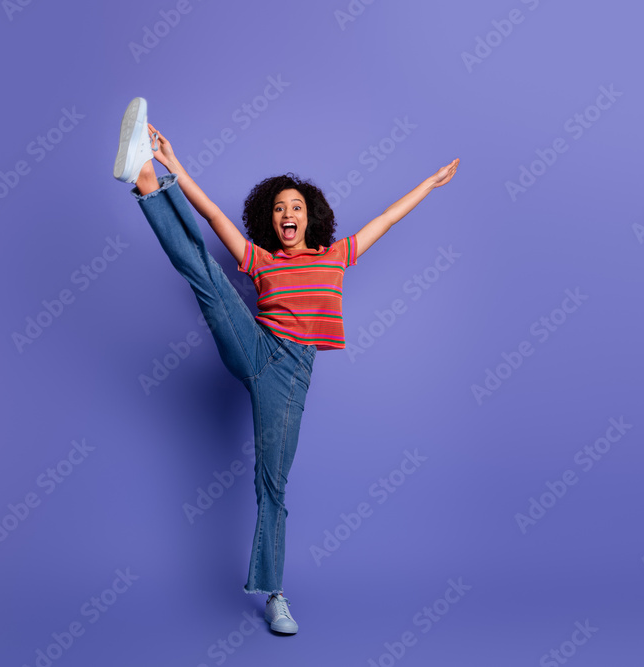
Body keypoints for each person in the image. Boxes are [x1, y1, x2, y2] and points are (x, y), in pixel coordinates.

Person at [113, 97, 458, 634]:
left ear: (309, 216)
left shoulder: (336, 255)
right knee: (206, 273)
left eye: (294, 206)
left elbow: (386, 220)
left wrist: (429, 184)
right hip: (255, 346)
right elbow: (212, 216)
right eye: (278, 209)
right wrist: (174, 165)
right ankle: (146, 181)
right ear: (269, 222)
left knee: (272, 484)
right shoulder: (261, 259)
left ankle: (274, 594)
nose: (287, 214)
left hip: (290, 377)